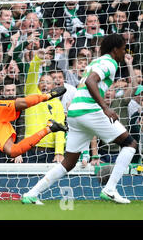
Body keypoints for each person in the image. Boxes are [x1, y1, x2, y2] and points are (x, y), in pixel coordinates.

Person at [21, 34, 139, 205]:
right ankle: (110, 189)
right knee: (130, 144)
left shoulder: (95, 62)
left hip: (75, 111)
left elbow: (86, 82)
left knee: (69, 162)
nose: (124, 52)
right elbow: (91, 81)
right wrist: (105, 107)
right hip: (88, 109)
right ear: (115, 50)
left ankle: (31, 194)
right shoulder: (110, 62)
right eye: (123, 49)